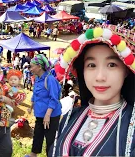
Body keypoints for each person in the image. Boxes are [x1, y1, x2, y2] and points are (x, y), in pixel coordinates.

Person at [49, 28, 135, 156]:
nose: (100, 77)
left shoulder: (132, 129)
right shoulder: (69, 117)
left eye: (111, 65)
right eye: (92, 65)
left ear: (126, 70)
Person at [26, 54, 62, 157]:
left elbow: (54, 98)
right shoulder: (37, 78)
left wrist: (48, 115)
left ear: (39, 67)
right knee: (38, 134)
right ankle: (33, 154)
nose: (30, 68)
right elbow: (35, 94)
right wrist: (31, 106)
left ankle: (51, 155)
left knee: (50, 138)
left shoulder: (50, 79)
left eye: (32, 66)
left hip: (51, 115)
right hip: (40, 114)